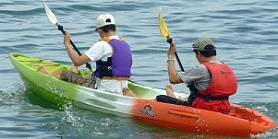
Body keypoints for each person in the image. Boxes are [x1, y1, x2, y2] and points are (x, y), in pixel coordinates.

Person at [156, 37, 238, 114]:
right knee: (193, 96)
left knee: (160, 98)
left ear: (199, 53)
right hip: (224, 107)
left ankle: (172, 96)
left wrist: (170, 56)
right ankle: (175, 97)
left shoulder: (201, 69)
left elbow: (173, 79)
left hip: (205, 108)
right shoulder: (225, 67)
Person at [61, 13, 133, 95]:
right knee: (91, 75)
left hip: (103, 90)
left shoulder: (102, 44)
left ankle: (65, 76)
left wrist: (67, 43)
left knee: (65, 73)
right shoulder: (125, 44)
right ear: (115, 28)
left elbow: (77, 62)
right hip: (121, 88)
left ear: (100, 30)